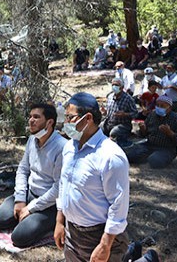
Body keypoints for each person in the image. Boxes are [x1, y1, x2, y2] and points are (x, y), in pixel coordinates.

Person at [54, 92, 130, 262]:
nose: (65, 123)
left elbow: (118, 205)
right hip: (72, 233)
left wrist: (105, 245)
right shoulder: (69, 148)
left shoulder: (110, 156)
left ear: (87, 119)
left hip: (99, 235)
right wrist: (60, 221)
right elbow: (63, 184)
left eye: (70, 117)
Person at [0, 103, 67, 247]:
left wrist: (31, 208)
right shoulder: (32, 139)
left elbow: (58, 188)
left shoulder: (62, 147)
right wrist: (20, 199)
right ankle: (25, 218)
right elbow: (23, 169)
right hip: (29, 193)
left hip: (48, 203)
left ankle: (47, 224)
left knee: (19, 238)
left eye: (36, 117)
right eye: (30, 116)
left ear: (49, 122)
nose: (31, 120)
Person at [126, 96, 177, 168]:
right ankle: (147, 157)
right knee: (130, 155)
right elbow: (144, 134)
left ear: (169, 108)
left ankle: (152, 158)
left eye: (162, 106)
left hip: (167, 148)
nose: (159, 107)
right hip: (149, 145)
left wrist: (170, 133)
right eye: (157, 105)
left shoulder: (176, 119)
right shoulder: (152, 115)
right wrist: (143, 129)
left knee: (155, 161)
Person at [101, 78, 138, 149]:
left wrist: (125, 114)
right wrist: (104, 112)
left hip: (123, 124)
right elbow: (108, 112)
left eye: (116, 85)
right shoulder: (110, 97)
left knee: (114, 133)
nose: (114, 87)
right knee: (98, 129)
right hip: (109, 122)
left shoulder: (128, 99)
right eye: (113, 85)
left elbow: (135, 113)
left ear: (122, 87)